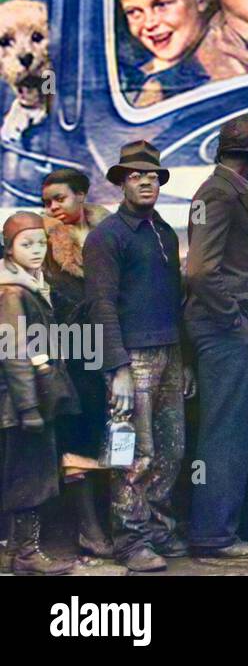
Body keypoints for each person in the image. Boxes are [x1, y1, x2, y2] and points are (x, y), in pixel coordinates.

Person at [83, 141, 191, 572]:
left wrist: (183, 359)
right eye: (135, 175)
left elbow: (172, 301)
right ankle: (130, 541)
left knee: (171, 449)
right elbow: (101, 305)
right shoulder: (106, 237)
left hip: (167, 351)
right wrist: (118, 370)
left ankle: (159, 527)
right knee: (132, 453)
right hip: (131, 358)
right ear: (121, 183)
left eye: (153, 176)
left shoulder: (163, 232)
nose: (146, 181)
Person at [184, 116, 248, 559]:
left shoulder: (231, 190)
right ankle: (214, 534)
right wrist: (234, 319)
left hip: (228, 327)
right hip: (225, 330)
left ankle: (216, 529)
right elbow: (199, 270)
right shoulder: (219, 192)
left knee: (229, 429)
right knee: (226, 432)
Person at [0, 211, 80, 575]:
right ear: (9, 248)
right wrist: (28, 407)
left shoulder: (34, 284)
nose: (35, 250)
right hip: (18, 403)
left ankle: (20, 552)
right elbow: (14, 352)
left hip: (31, 399)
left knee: (32, 474)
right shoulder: (12, 291)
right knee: (29, 476)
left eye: (41, 242)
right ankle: (26, 555)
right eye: (25, 243)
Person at [40, 168, 113, 559]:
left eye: (60, 198)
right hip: (73, 352)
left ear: (82, 195)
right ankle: (88, 528)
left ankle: (118, 523)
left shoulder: (108, 234)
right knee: (77, 435)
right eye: (47, 201)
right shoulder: (44, 245)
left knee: (116, 437)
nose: (52, 207)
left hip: (113, 349)